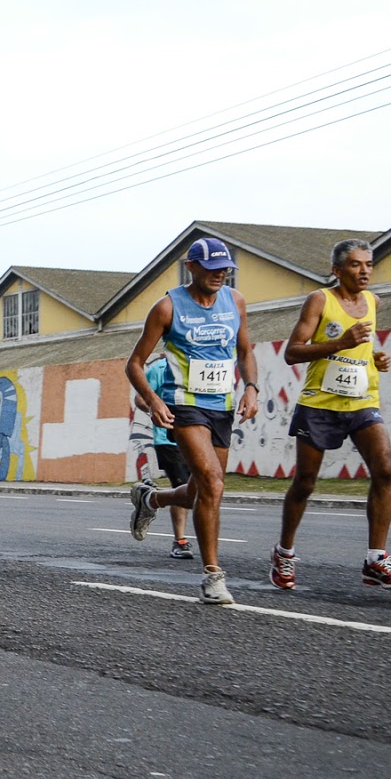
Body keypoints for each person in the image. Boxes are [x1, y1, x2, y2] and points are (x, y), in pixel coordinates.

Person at [126, 237, 259, 605]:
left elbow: (245, 350)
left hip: (222, 406)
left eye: (226, 269)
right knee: (213, 483)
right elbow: (134, 363)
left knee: (202, 489)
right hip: (184, 406)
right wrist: (153, 400)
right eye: (213, 269)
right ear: (192, 267)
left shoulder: (236, 302)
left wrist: (251, 388)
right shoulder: (168, 307)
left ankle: (151, 499)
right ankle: (213, 577)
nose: (220, 275)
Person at [272, 240, 391, 590]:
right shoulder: (320, 300)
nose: (364, 270)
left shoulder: (373, 302)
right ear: (337, 270)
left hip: (362, 401)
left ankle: (375, 559)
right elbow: (293, 352)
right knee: (305, 483)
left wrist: (376, 358)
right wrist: (341, 343)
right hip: (319, 404)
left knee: (384, 471)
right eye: (355, 264)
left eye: (369, 264)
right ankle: (283, 553)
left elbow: (364, 346)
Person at [135, 355, 195, 559]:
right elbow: (140, 398)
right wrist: (155, 410)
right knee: (183, 487)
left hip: (197, 438)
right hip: (168, 440)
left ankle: (150, 499)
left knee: (201, 490)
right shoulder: (158, 368)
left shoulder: (199, 364)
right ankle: (180, 542)